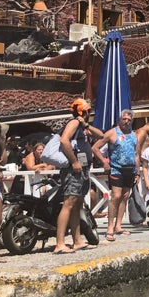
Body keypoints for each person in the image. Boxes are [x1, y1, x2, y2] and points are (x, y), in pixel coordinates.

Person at [54, 98, 104, 254]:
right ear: (84, 111)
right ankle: (60, 243)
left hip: (82, 169)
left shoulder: (81, 125)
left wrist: (86, 125)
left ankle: (77, 241)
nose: (90, 113)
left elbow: (101, 135)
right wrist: (74, 161)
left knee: (77, 205)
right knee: (69, 203)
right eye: (89, 111)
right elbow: (64, 140)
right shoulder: (74, 123)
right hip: (73, 170)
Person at [94, 109, 149, 241]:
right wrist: (104, 162)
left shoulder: (134, 135)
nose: (126, 122)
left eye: (129, 120)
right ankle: (110, 227)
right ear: (120, 119)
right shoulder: (112, 133)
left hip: (130, 170)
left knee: (124, 196)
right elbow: (95, 148)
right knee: (116, 196)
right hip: (116, 169)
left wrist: (137, 172)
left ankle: (118, 226)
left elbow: (136, 154)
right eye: (124, 119)